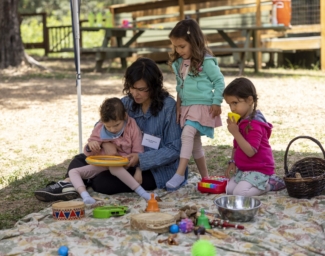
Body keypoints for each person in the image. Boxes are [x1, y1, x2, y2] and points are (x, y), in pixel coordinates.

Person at [34, 57, 186, 202]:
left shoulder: (168, 108)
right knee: (80, 159)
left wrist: (141, 159)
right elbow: (102, 124)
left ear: (154, 87)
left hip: (155, 168)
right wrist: (105, 143)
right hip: (118, 159)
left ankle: (73, 183)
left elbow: (174, 149)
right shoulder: (126, 103)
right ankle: (69, 183)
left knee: (103, 183)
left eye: (141, 89)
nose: (135, 93)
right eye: (132, 88)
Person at [165, 18, 225, 190]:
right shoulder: (179, 64)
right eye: (175, 46)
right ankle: (206, 178)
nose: (178, 50)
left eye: (182, 46)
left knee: (187, 134)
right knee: (195, 142)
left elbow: (219, 81)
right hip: (187, 107)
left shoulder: (206, 62)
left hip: (202, 106)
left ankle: (179, 173)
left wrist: (217, 101)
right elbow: (180, 87)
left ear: (194, 42)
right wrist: (178, 107)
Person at [69, 97, 156, 204]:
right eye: (108, 127)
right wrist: (90, 146)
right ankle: (85, 196)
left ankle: (143, 194)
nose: (113, 130)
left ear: (124, 116)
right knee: (73, 171)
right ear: (102, 121)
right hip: (103, 163)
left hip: (123, 164)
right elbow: (88, 152)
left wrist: (139, 171)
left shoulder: (132, 126)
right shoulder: (100, 127)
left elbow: (139, 151)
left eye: (116, 125)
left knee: (114, 168)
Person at [223, 77, 285, 196]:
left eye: (235, 103)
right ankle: (257, 183)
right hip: (245, 169)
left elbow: (251, 151)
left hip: (260, 169)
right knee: (229, 190)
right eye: (229, 104)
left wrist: (235, 132)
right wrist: (232, 161)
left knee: (239, 193)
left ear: (250, 100)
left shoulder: (255, 124)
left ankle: (270, 184)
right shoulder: (241, 121)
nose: (232, 108)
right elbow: (236, 145)